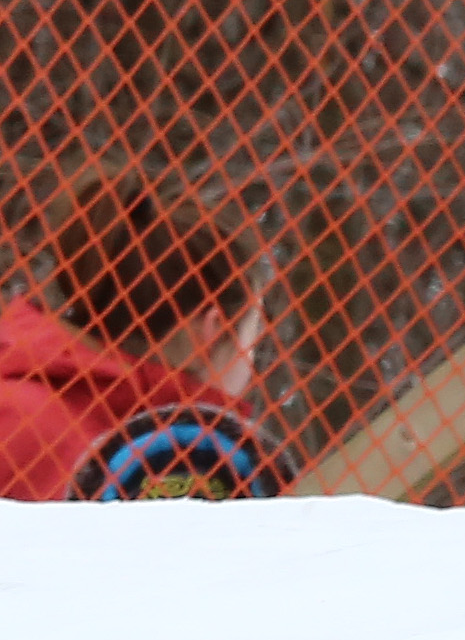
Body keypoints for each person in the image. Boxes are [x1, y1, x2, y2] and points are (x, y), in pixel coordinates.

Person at [0, 172, 281, 501]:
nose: (251, 362)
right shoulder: (205, 472)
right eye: (252, 335)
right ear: (213, 329)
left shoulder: (18, 402)